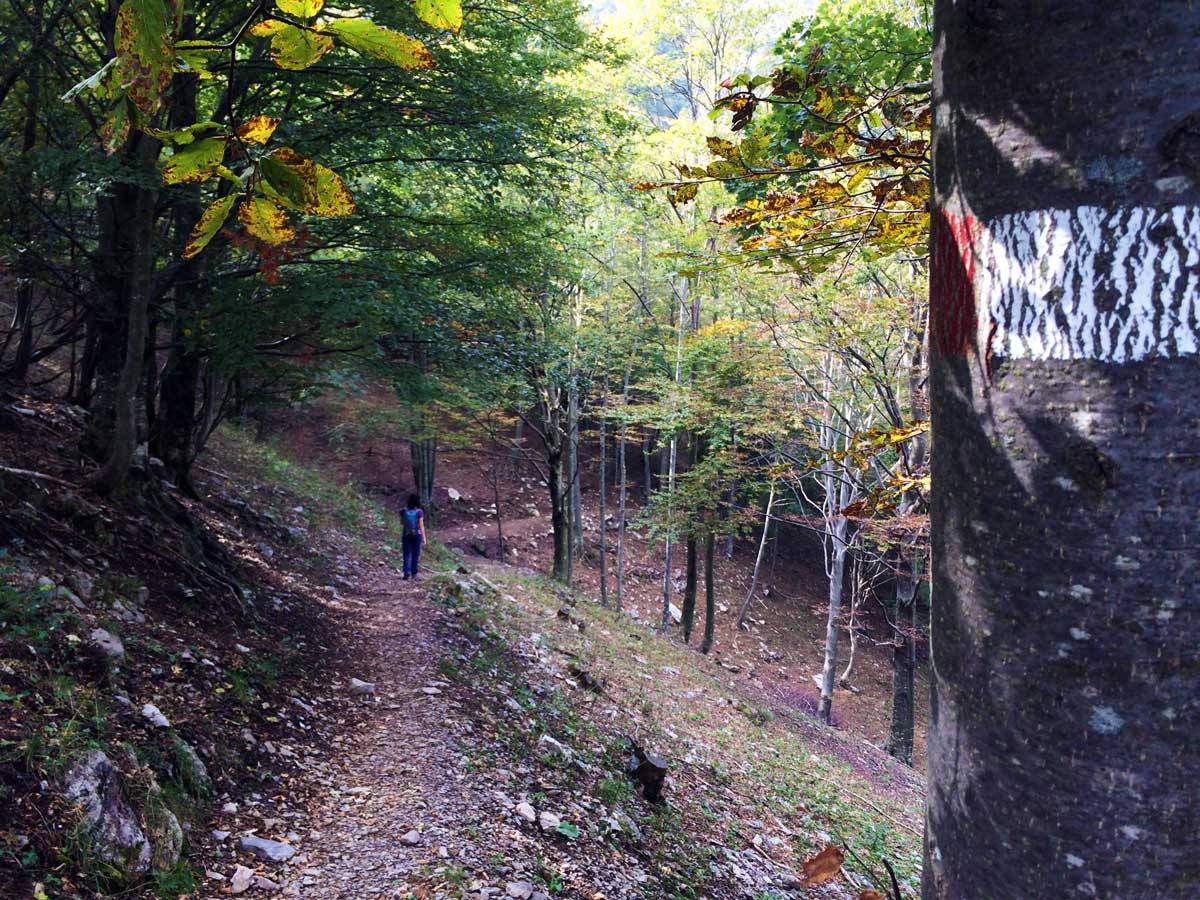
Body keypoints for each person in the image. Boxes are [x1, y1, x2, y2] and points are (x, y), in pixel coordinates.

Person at [401, 493, 427, 580]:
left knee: (406, 554)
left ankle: (406, 572)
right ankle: (414, 573)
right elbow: (421, 525)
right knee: (415, 554)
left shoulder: (404, 511)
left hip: (406, 534)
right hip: (417, 534)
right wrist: (424, 537)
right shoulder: (419, 512)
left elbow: (402, 523)